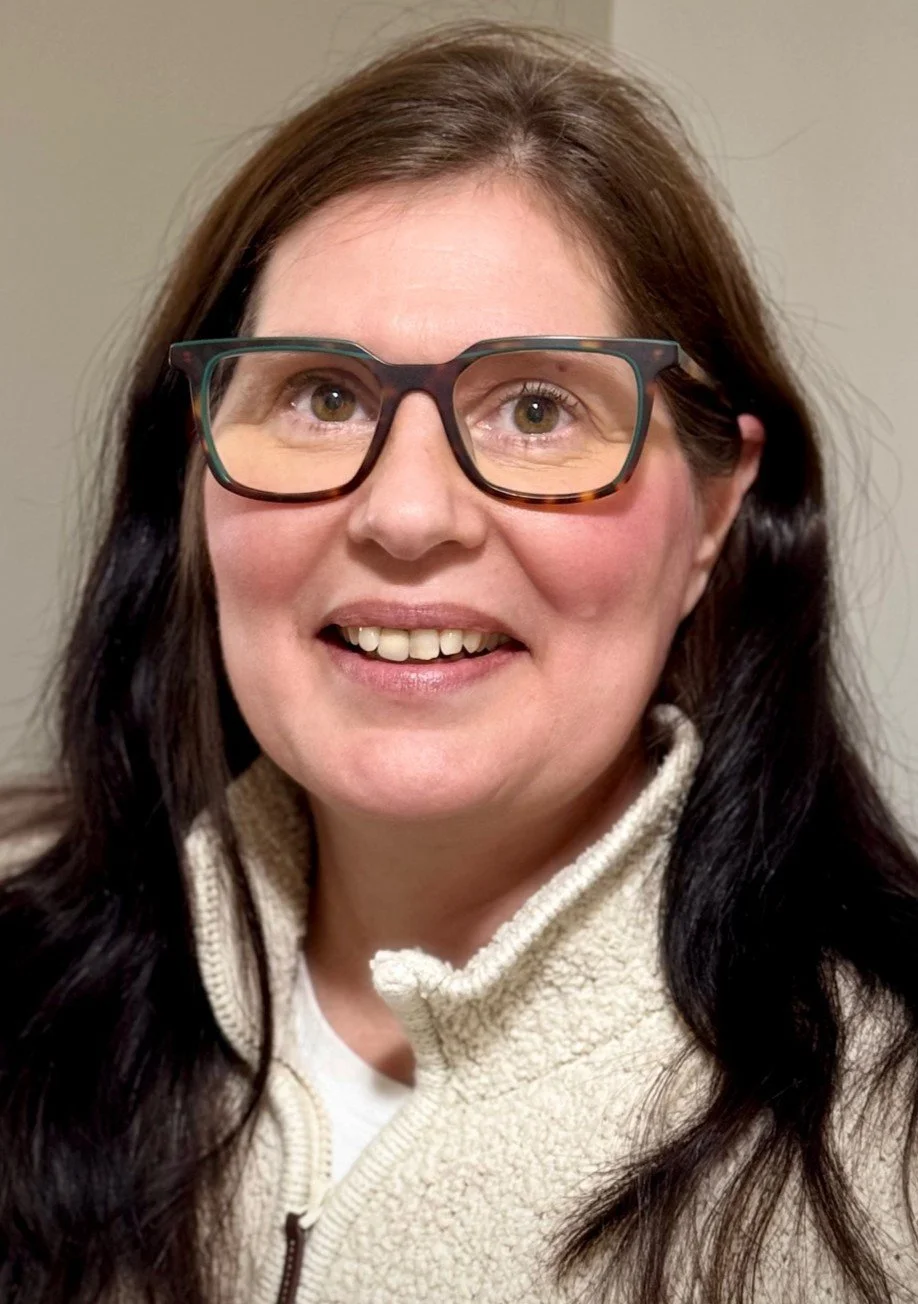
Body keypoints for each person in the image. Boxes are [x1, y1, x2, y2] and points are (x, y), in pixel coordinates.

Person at [1, 19, 916, 1304]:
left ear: (714, 515)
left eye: (539, 409)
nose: (410, 515)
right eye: (321, 395)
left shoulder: (891, 1153)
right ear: (195, 474)